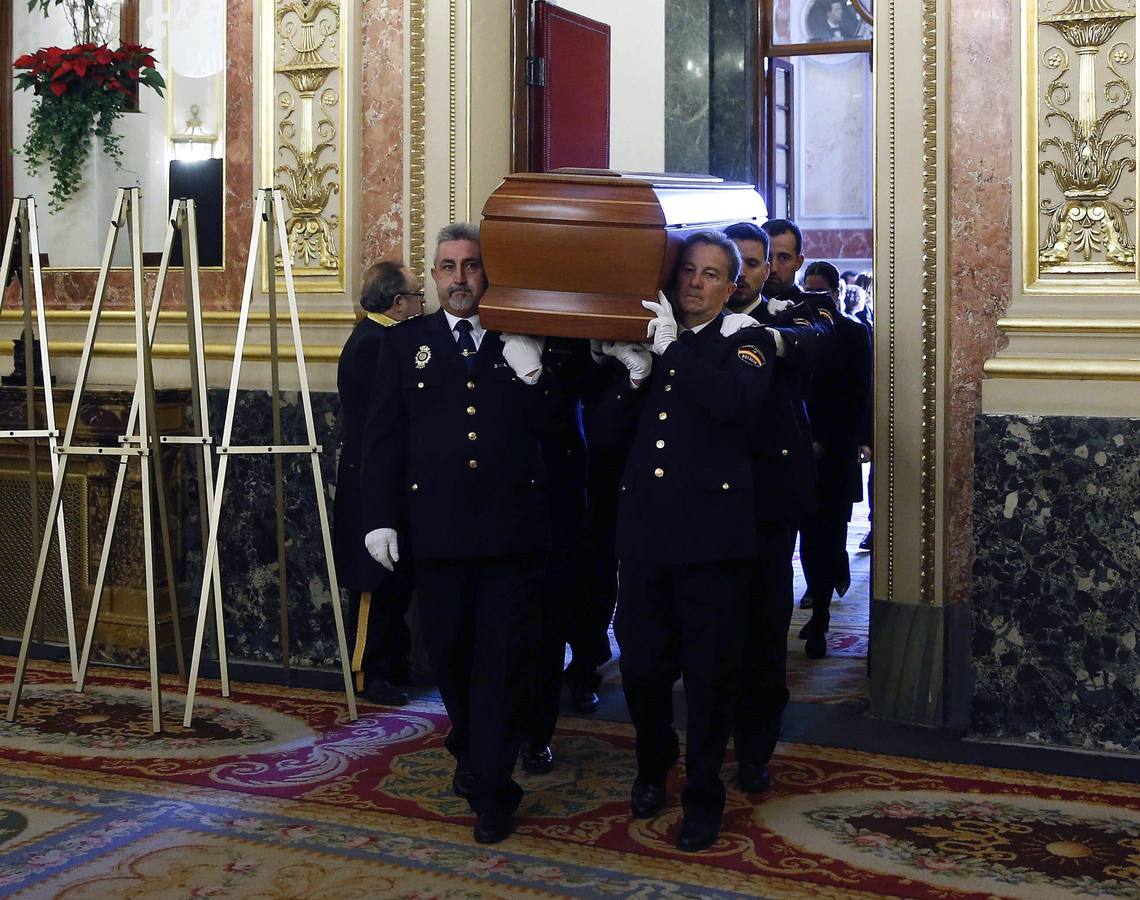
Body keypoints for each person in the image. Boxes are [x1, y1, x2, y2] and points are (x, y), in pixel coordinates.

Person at [361, 223, 550, 844]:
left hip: (507, 537)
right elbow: (383, 439)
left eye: (471, 266)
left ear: (485, 274)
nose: (460, 278)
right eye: (447, 267)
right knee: (450, 656)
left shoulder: (520, 337)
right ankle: (471, 748)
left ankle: (495, 787)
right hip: (436, 535)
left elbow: (554, 431)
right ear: (434, 275)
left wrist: (535, 378)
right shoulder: (403, 344)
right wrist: (380, 517)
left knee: (499, 662)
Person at [591, 231, 775, 852]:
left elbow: (730, 404)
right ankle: (651, 763)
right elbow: (608, 437)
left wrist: (672, 352)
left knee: (710, 676)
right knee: (641, 668)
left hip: (712, 544)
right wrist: (634, 372)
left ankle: (702, 795)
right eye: (688, 271)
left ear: (731, 287)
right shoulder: (655, 345)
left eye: (711, 275)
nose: (696, 283)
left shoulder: (744, 343)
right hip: (645, 537)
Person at [722, 220, 824, 794]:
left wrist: (758, 337)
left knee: (763, 630)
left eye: (752, 264)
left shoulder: (796, 313)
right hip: (706, 498)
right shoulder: (687, 319)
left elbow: (816, 339)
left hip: (768, 499)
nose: (740, 274)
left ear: (767, 270)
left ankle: (756, 749)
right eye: (730, 261)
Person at [333, 260, 424, 707]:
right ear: (398, 302)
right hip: (369, 482)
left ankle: (393, 663)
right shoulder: (372, 344)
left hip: (391, 479)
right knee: (372, 585)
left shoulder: (387, 337)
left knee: (394, 582)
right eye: (417, 296)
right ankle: (366, 670)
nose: (421, 304)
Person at [798, 261, 872, 658]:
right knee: (808, 541)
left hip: (835, 453)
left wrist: (841, 441)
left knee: (827, 538)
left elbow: (859, 395)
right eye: (807, 291)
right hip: (798, 452)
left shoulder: (853, 333)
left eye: (821, 292)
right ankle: (818, 603)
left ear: (837, 293)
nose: (815, 299)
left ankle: (822, 617)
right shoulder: (796, 330)